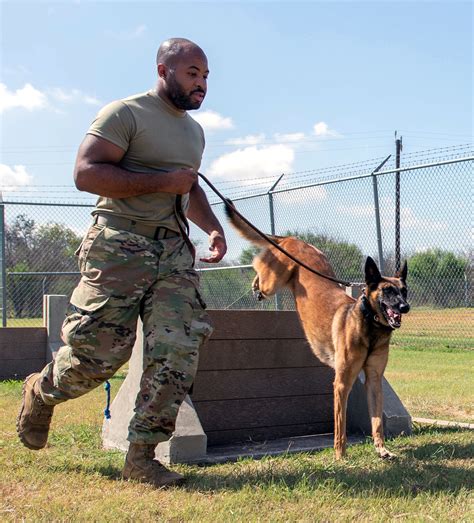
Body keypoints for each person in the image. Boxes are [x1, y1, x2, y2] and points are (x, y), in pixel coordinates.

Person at [16, 38, 227, 488]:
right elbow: (86, 172)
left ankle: (142, 457)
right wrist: (162, 180)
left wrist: (211, 227)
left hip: (172, 251)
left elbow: (188, 190)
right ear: (164, 69)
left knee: (178, 348)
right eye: (192, 73)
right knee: (97, 355)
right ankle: (42, 390)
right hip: (118, 243)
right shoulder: (125, 114)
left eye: (206, 76)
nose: (202, 83)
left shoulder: (194, 132)